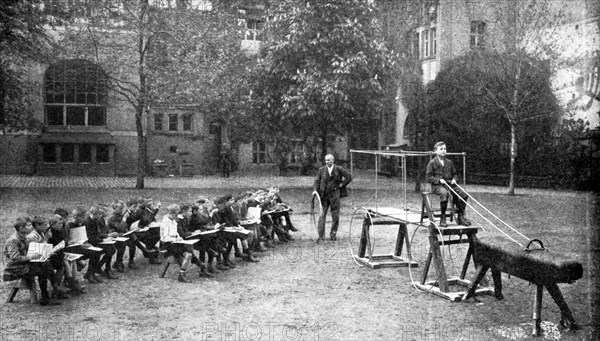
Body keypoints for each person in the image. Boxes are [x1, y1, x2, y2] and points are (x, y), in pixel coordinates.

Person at [3, 217, 61, 305]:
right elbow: (15, 258)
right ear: (21, 229)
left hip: (24, 264)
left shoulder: (24, 237)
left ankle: (52, 290)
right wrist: (30, 257)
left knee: (45, 263)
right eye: (29, 225)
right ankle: (47, 295)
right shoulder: (14, 240)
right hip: (16, 268)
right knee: (42, 270)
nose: (31, 227)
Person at [425, 141, 471, 227]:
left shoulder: (449, 162)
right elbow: (428, 177)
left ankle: (460, 217)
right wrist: (439, 180)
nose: (443, 151)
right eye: (441, 149)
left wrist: (454, 179)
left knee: (464, 194)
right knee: (444, 193)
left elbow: (455, 174)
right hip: (437, 186)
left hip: (450, 184)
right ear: (435, 151)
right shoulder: (432, 163)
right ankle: (443, 217)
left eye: (445, 149)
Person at [313, 154, 352, 241]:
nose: (327, 162)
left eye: (329, 160)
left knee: (335, 215)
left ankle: (333, 234)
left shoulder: (339, 169)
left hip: (335, 196)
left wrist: (342, 184)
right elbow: (317, 181)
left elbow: (349, 177)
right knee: (322, 215)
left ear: (333, 160)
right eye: (326, 160)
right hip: (324, 196)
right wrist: (315, 190)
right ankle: (321, 235)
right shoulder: (321, 170)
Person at [159, 204, 195, 283]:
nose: (176, 216)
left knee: (189, 253)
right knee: (183, 252)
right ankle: (182, 274)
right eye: (175, 214)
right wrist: (175, 239)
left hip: (175, 243)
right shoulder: (164, 223)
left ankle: (182, 273)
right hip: (167, 244)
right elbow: (164, 237)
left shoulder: (174, 221)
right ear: (171, 213)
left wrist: (179, 237)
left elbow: (176, 233)